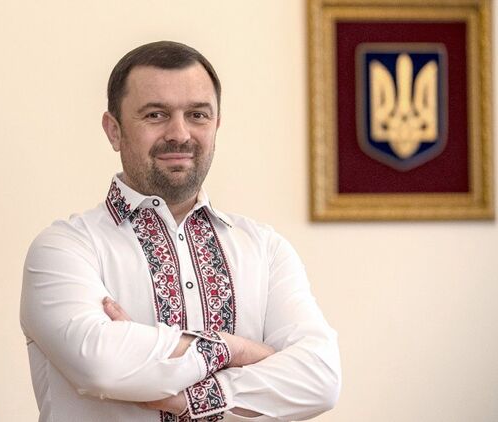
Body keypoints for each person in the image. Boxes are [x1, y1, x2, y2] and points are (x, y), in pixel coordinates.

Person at [20, 41, 341, 422]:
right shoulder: (64, 249)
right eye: (155, 115)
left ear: (216, 125)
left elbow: (319, 380)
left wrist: (176, 384)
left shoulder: (265, 249)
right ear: (114, 131)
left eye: (197, 115)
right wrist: (236, 350)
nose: (179, 133)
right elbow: (101, 367)